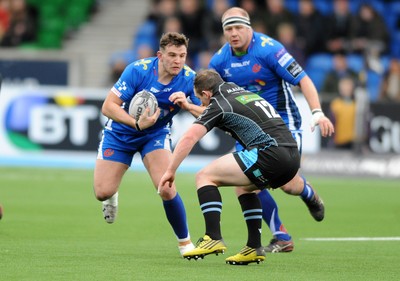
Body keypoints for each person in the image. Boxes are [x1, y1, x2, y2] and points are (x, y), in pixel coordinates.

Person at [158, 70, 325, 265]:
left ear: (206, 94)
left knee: (204, 176)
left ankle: (212, 237)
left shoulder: (218, 103)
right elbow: (213, 114)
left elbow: (189, 137)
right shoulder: (234, 91)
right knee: (244, 187)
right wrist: (189, 106)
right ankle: (254, 247)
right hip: (291, 156)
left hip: (269, 153)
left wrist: (170, 171)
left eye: (200, 99)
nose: (202, 104)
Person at [208, 7, 334, 253]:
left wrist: (317, 111)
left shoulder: (270, 50)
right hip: (247, 129)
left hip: (282, 124)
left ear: (249, 27)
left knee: (286, 184)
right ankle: (281, 236)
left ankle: (308, 193)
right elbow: (210, 96)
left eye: (238, 28)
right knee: (244, 184)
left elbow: (304, 79)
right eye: (228, 29)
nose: (233, 34)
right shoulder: (220, 60)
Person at [93, 32, 204, 256]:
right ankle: (112, 196)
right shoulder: (138, 70)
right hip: (121, 133)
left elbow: (209, 113)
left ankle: (186, 244)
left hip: (155, 135)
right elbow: (108, 106)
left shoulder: (189, 79)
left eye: (182, 55)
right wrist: (136, 123)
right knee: (102, 192)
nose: (178, 61)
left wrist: (189, 106)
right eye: (172, 55)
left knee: (166, 187)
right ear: (159, 55)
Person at [329, 75, 356, 149]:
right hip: (339, 142)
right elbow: (332, 123)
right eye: (344, 86)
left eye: (348, 86)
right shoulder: (335, 104)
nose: (346, 89)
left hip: (354, 142)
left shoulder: (356, 104)